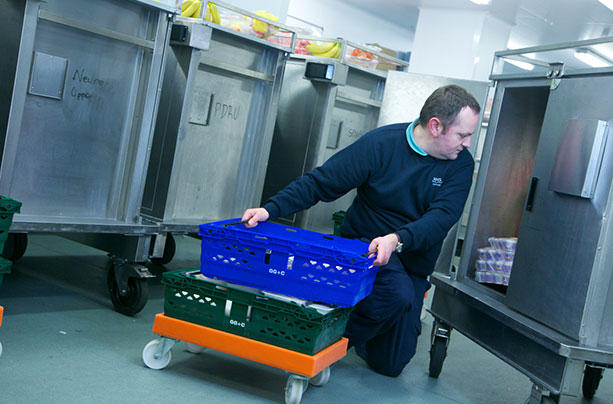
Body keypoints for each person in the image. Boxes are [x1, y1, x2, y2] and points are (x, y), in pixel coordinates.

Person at [242, 85, 481, 377]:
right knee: (396, 294)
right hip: (363, 248)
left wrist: (398, 239)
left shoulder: (460, 165)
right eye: (462, 135)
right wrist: (270, 209)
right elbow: (322, 182)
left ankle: (347, 317)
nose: (467, 143)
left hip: (411, 259)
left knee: (391, 364)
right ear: (435, 126)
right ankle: (318, 347)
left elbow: (442, 217)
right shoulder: (381, 145)